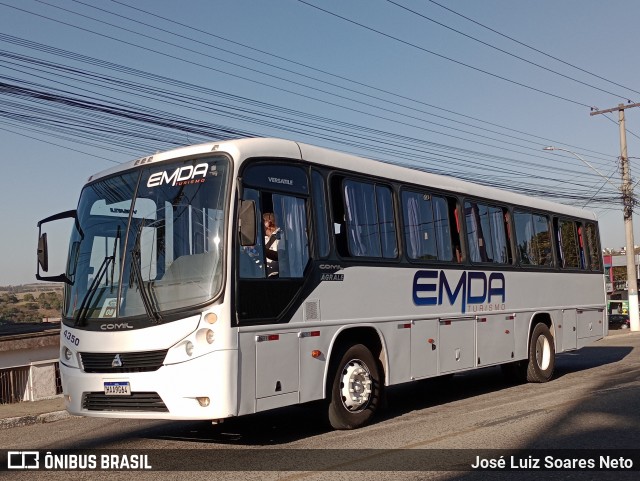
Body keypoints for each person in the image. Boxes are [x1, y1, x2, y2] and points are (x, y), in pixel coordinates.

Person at [263, 212, 280, 277]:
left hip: (275, 276)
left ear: (268, 223)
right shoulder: (264, 238)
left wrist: (262, 251)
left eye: (263, 222)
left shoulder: (280, 235)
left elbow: (279, 256)